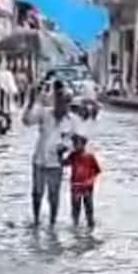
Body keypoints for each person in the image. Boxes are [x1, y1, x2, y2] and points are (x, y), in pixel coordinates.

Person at [23, 79, 79, 227]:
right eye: (60, 101)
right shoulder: (44, 114)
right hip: (39, 160)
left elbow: (74, 143)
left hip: (56, 164)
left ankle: (52, 223)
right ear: (56, 101)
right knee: (37, 193)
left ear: (69, 104)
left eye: (66, 102)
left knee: (54, 196)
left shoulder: (72, 121)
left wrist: (67, 149)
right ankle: (36, 220)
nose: (63, 105)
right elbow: (27, 121)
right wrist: (30, 104)